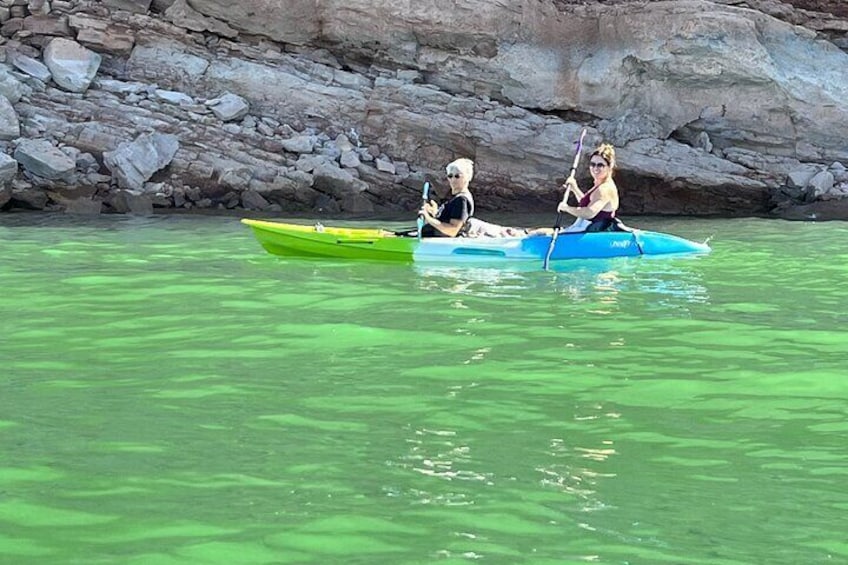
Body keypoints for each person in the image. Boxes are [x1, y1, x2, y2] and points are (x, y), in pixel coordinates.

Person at [556, 143, 621, 232]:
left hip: (595, 231)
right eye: (592, 164)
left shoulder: (605, 189)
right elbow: (586, 204)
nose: (595, 168)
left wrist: (567, 208)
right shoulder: (598, 185)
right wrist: (575, 188)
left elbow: (589, 213)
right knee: (535, 232)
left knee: (538, 233)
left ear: (609, 167)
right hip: (587, 228)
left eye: (600, 165)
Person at [420, 158, 476, 237]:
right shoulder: (455, 198)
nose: (453, 179)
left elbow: (452, 230)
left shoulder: (462, 200)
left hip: (438, 244)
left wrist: (429, 219)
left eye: (457, 176)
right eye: (450, 176)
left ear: (468, 177)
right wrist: (435, 213)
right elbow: (446, 220)